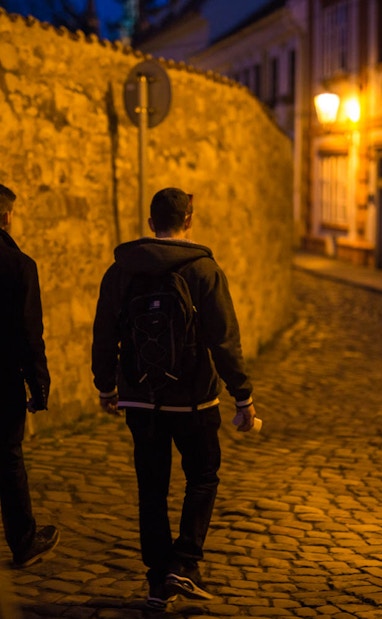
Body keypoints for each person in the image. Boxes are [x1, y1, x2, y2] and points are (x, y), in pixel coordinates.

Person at [92, 187, 257, 609]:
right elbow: (224, 338)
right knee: (202, 476)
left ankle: (155, 579)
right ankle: (184, 565)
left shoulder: (121, 270)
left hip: (140, 397)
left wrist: (107, 386)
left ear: (150, 223)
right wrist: (242, 395)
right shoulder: (203, 270)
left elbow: (104, 332)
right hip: (194, 400)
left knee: (152, 487)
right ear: (189, 220)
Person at [0, 184, 59, 568]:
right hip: (1, 378)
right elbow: (28, 333)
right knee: (7, 456)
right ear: (6, 216)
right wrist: (39, 386)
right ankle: (23, 541)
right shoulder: (18, 265)